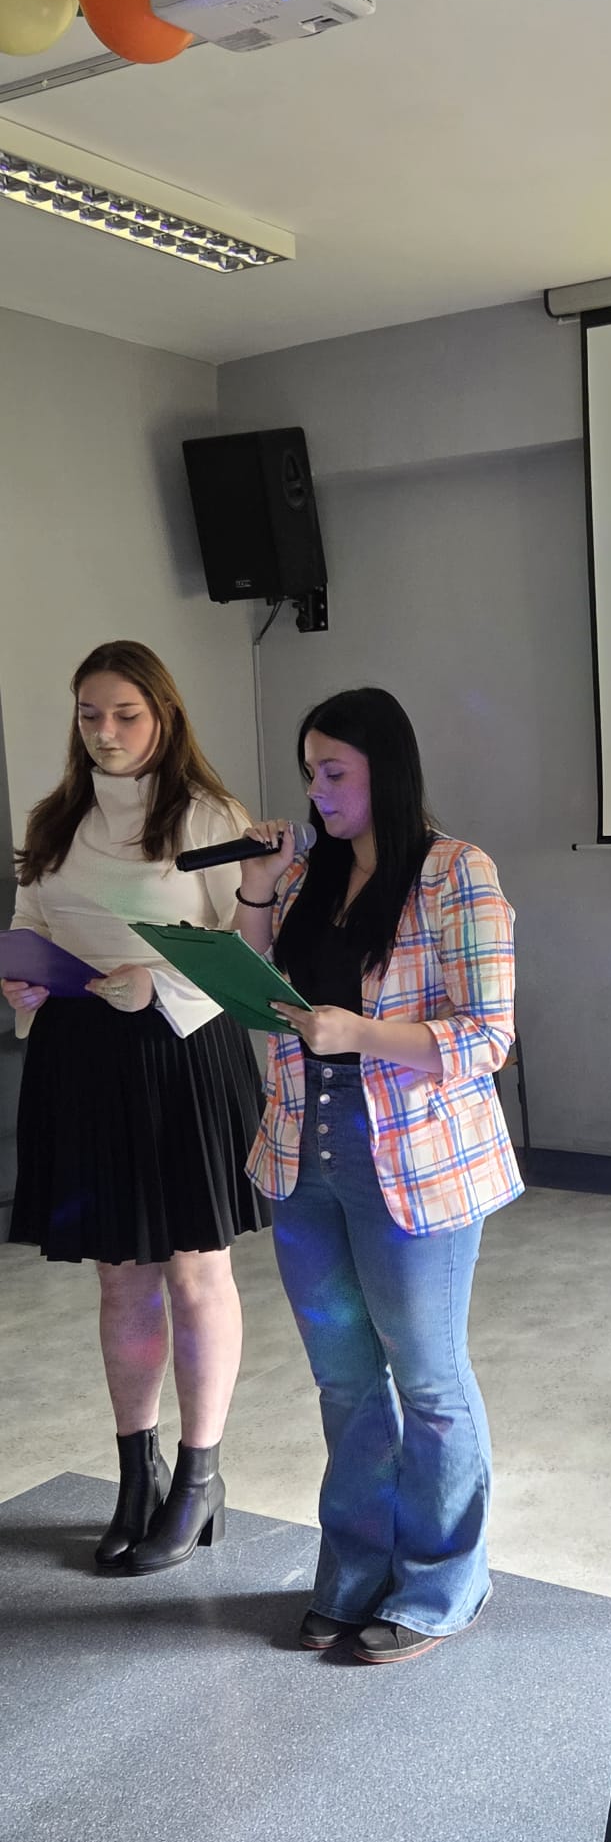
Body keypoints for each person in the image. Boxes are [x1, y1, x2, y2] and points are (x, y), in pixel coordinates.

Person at [234, 686, 522, 1664]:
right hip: (301, 1147)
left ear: (384, 770)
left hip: (410, 1155)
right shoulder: (305, 871)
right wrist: (259, 885)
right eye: (309, 772)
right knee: (344, 1381)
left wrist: (359, 1033)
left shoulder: (455, 872)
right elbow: (253, 990)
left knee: (428, 1379)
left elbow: (486, 1034)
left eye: (335, 772)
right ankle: (355, 1573)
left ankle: (444, 1584)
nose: (317, 792)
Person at [1, 641, 266, 1574]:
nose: (105, 733)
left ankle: (201, 1476)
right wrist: (21, 978)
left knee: (194, 1272)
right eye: (90, 715)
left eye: (125, 715)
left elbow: (248, 949)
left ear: (164, 715)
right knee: (120, 1277)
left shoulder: (210, 816)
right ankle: (135, 1473)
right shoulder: (55, 816)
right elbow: (32, 920)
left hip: (180, 1056)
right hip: (82, 1055)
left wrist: (156, 980)